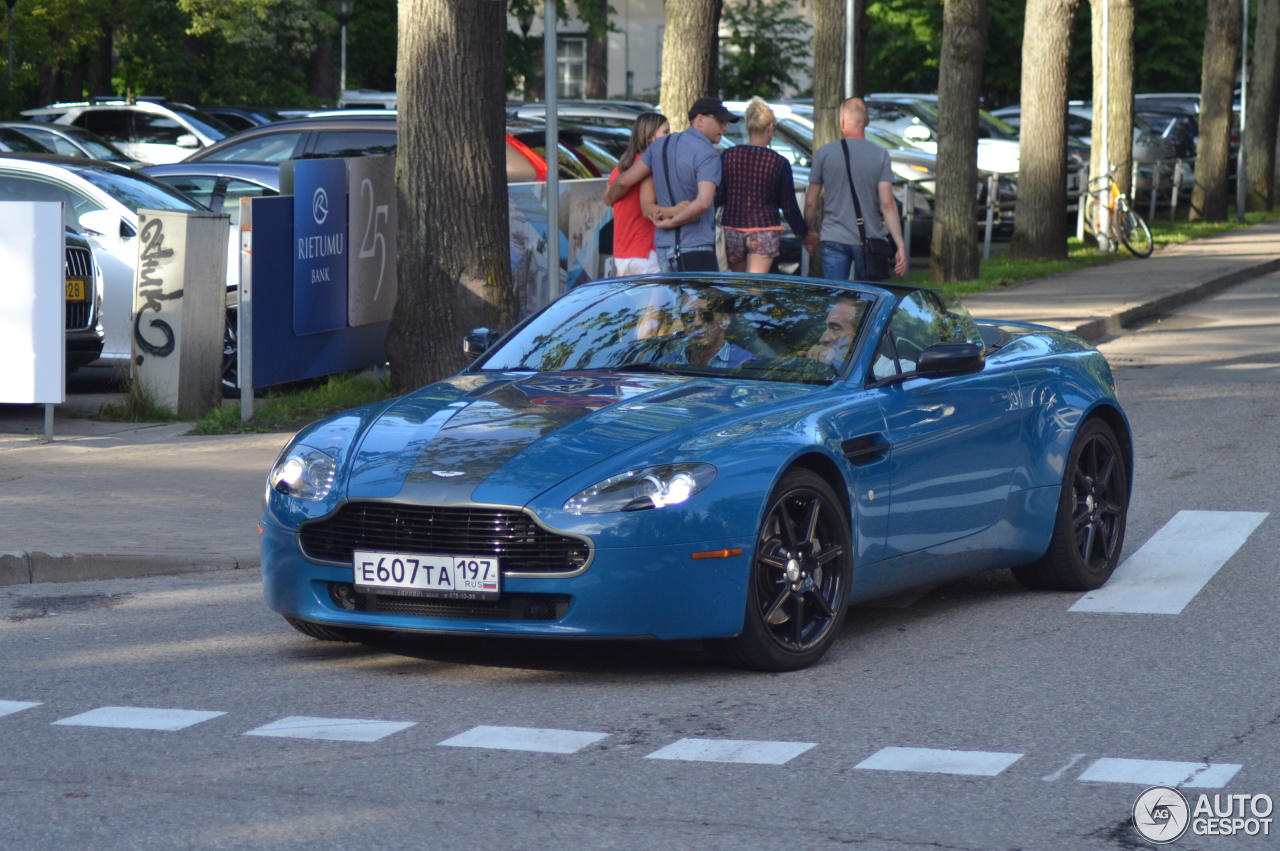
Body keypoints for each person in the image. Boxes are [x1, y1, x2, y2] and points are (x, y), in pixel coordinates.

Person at [603, 97, 740, 272]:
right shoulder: (707, 153)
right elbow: (704, 202)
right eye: (721, 121)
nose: (726, 128)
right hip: (695, 247)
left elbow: (624, 182)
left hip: (663, 249)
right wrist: (673, 221)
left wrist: (608, 198)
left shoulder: (658, 146)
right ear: (700, 120)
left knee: (670, 299)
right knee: (701, 300)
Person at [803, 98, 909, 282]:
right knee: (870, 301)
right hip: (869, 239)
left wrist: (809, 232)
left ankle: (841, 311)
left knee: (837, 297)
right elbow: (887, 204)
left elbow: (811, 202)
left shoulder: (824, 153)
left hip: (833, 237)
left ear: (842, 121)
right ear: (867, 122)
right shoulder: (880, 155)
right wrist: (900, 245)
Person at [718, 97, 809, 273]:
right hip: (764, 230)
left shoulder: (728, 156)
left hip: (732, 229)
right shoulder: (778, 162)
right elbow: (789, 207)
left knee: (738, 286)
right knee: (755, 288)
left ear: (749, 128)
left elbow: (719, 195)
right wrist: (804, 234)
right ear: (770, 128)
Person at [606, 113, 670, 276]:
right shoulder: (649, 164)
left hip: (622, 253)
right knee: (655, 302)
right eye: (665, 132)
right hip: (646, 250)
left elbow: (607, 197)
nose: (669, 136)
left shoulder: (622, 166)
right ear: (650, 137)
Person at [662, 295, 756, 368]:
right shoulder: (664, 364)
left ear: (725, 320)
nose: (696, 323)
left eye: (706, 315)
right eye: (688, 316)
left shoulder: (746, 364)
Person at [806, 296, 864, 367]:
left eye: (836, 329)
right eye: (826, 328)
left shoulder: (879, 376)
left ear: (862, 334)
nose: (822, 339)